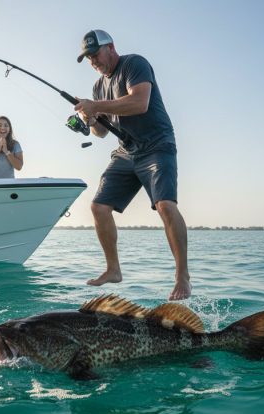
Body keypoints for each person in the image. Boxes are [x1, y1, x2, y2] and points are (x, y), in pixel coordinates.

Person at [73, 29, 191, 301]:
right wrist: (91, 119)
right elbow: (101, 133)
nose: (93, 61)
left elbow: (139, 102)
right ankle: (113, 269)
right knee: (98, 206)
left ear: (110, 47)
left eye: (95, 54)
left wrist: (96, 106)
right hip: (126, 151)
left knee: (165, 205)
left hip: (157, 146)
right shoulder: (98, 87)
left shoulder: (134, 64)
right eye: (88, 58)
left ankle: (182, 276)